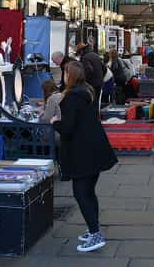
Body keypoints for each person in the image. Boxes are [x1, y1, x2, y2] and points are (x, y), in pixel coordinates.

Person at [51, 61, 117, 252]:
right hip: (94, 150)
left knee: (81, 194)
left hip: (82, 153)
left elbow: (68, 127)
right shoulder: (87, 92)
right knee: (89, 192)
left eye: (64, 72)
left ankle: (96, 235)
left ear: (69, 75)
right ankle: (93, 229)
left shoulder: (71, 97)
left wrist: (55, 122)